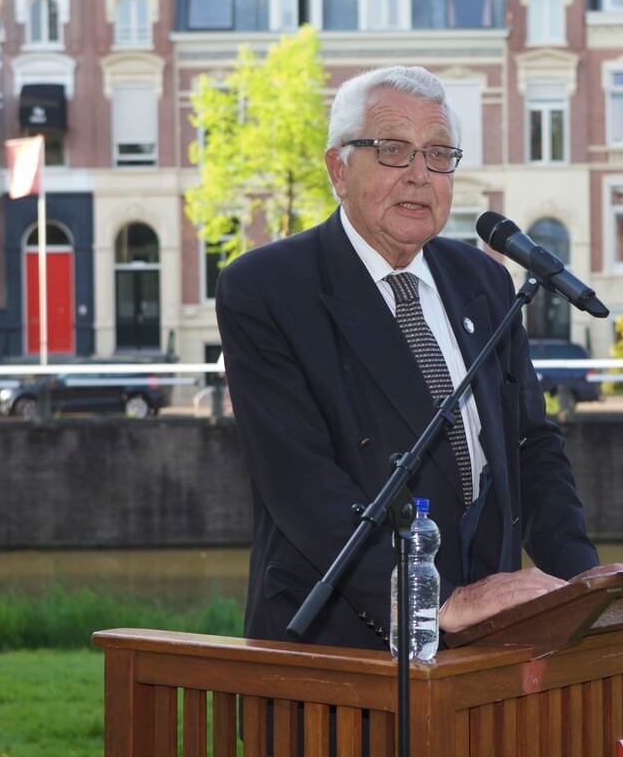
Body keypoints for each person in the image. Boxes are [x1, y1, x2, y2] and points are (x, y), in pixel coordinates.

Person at [216, 66, 600, 650]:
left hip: (487, 643)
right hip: (341, 648)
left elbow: (532, 447)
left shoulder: (485, 281)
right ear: (338, 169)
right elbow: (298, 482)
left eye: (439, 154)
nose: (420, 175)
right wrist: (435, 601)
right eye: (394, 150)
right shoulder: (266, 289)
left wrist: (584, 585)